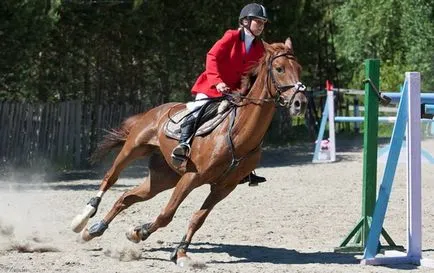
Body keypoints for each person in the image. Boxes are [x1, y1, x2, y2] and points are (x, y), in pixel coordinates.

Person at [171, 3, 268, 185]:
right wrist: (218, 82)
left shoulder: (260, 46)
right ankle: (183, 144)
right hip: (212, 86)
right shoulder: (231, 36)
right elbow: (212, 57)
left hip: (234, 93)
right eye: (258, 21)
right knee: (199, 109)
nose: (261, 25)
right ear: (245, 21)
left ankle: (246, 168)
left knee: (245, 122)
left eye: (263, 22)